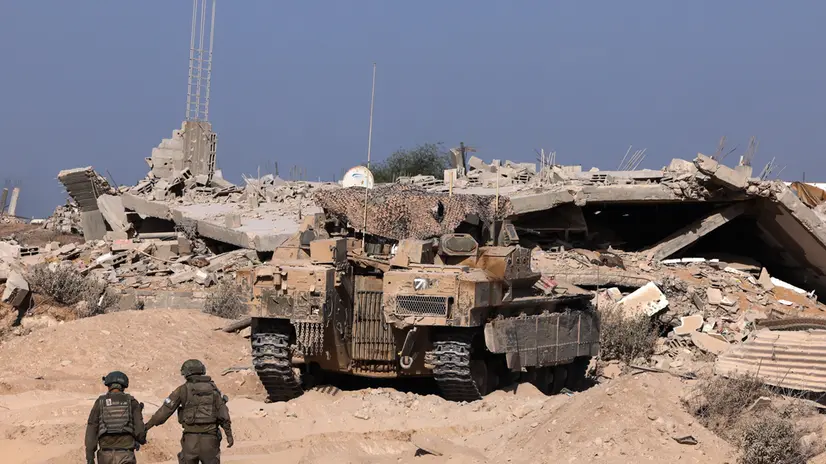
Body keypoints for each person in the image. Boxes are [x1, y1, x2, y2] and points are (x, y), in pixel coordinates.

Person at [145, 359, 233, 464]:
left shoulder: (182, 389)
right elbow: (224, 415)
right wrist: (229, 435)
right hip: (210, 440)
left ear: (186, 373)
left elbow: (164, 412)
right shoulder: (214, 390)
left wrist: (146, 427)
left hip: (190, 441)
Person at [85, 371, 147, 464]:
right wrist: (141, 440)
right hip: (126, 455)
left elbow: (91, 428)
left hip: (105, 456)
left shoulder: (100, 402)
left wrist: (90, 457)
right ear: (123, 386)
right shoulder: (132, 402)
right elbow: (140, 431)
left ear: (108, 385)